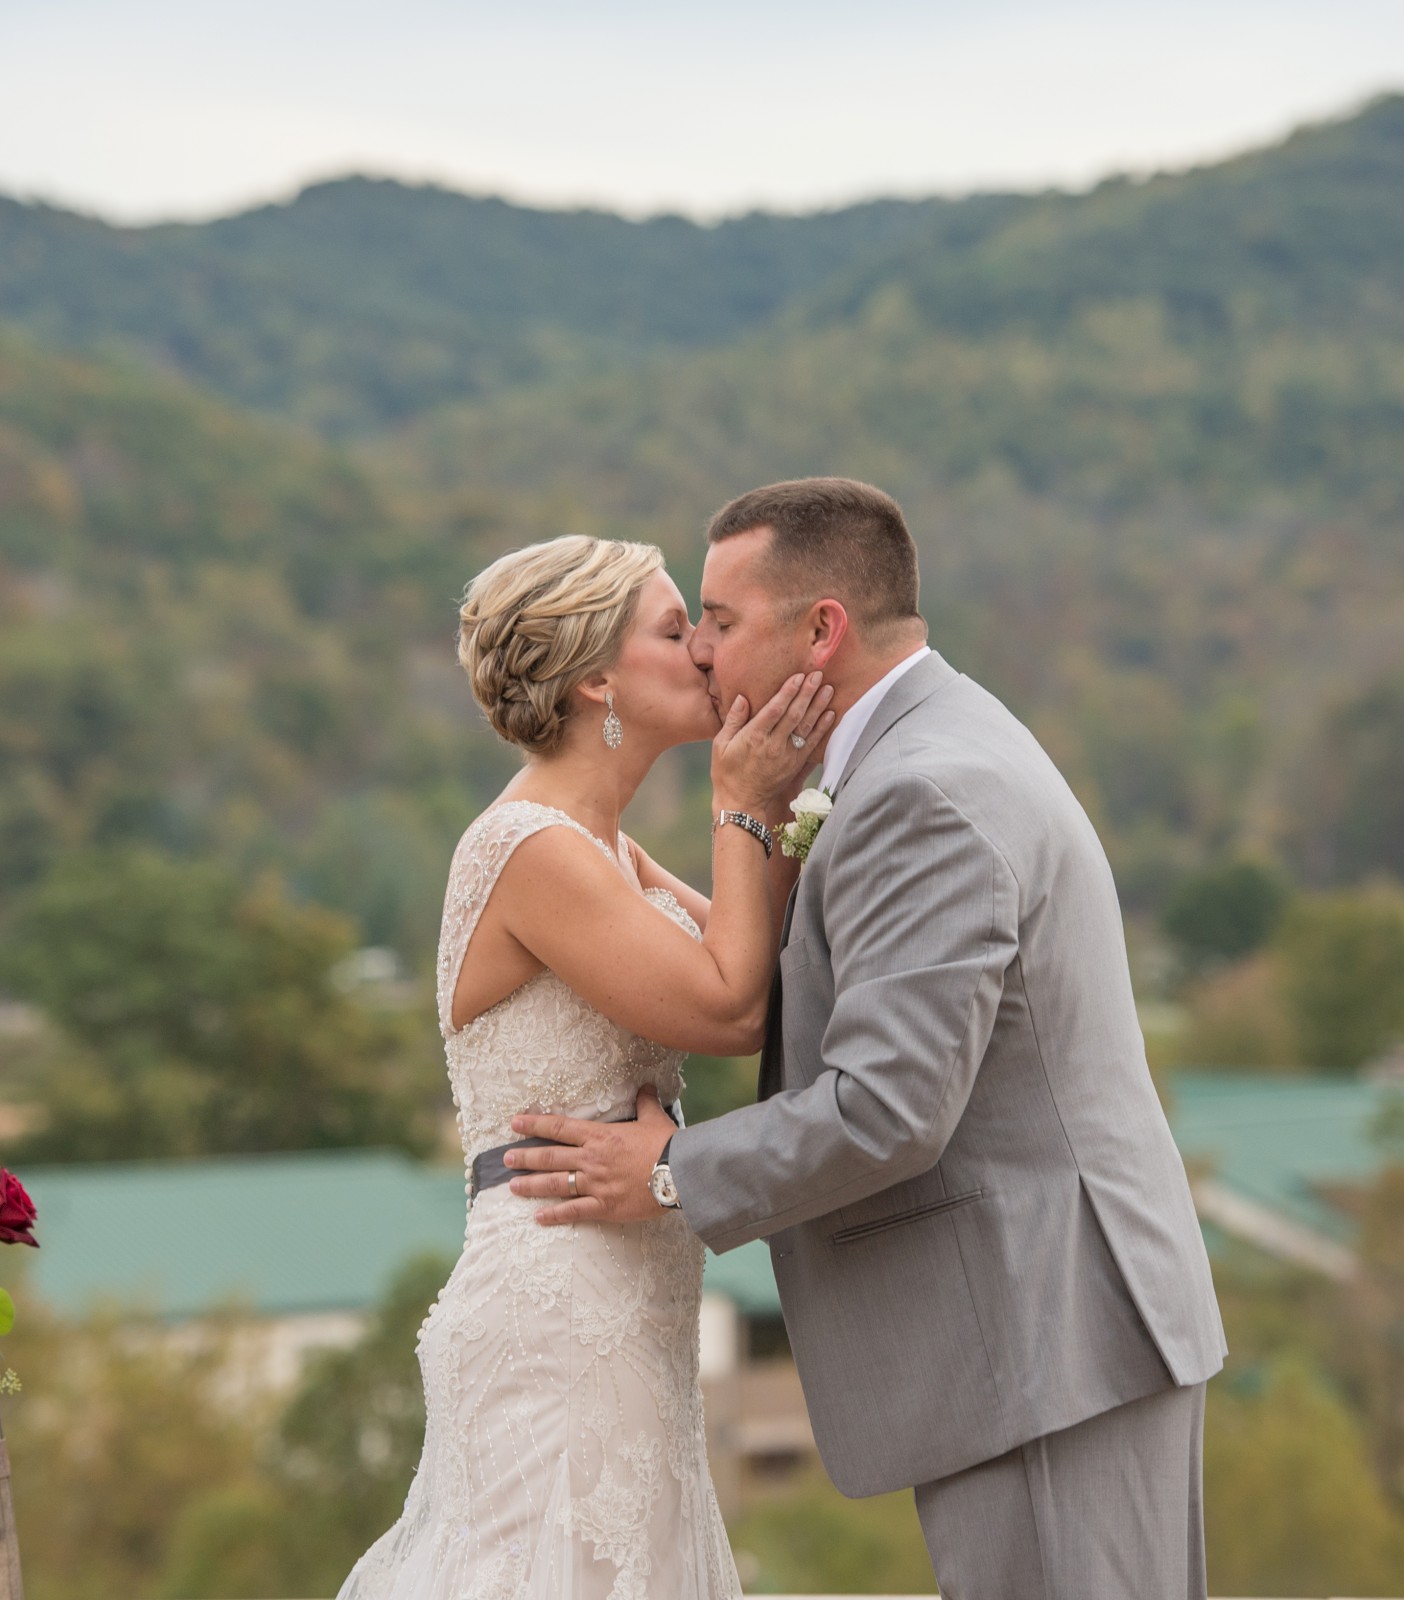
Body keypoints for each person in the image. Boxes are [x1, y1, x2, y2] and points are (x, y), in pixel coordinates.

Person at [505, 478, 1228, 1600]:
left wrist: (664, 1172)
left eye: (723, 620)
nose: (701, 650)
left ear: (822, 630)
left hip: (1047, 1337)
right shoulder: (931, 745)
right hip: (1054, 1336)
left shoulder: (917, 793)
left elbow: (889, 1107)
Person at [336, 533, 831, 1598]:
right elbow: (728, 1004)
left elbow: (770, 985)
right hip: (557, 1304)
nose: (704, 649)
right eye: (672, 629)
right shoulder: (528, 848)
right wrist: (738, 803)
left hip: (633, 1301)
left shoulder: (603, 846)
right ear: (596, 675)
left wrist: (778, 811)